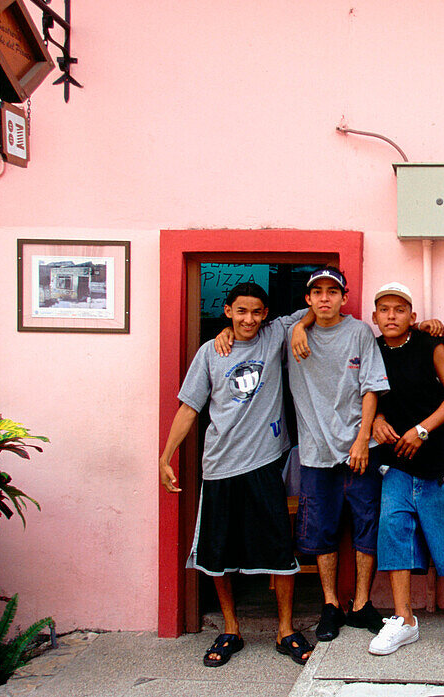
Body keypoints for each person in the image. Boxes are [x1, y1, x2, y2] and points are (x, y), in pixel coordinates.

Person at [158, 282, 314, 667]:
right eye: (241, 312)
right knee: (217, 553)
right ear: (227, 310)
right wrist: (166, 456)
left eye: (257, 312)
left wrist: (296, 328)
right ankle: (230, 630)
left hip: (265, 463)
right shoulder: (210, 352)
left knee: (279, 548)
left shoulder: (275, 334)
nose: (249, 319)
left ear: (265, 314)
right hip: (219, 466)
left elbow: (314, 307)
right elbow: (190, 407)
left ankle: (285, 630)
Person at [364, 282, 444, 662]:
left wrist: (423, 429)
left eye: (399, 309)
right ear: (375, 317)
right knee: (395, 531)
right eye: (384, 309)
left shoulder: (430, 345)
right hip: (400, 459)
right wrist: (378, 420)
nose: (391, 316)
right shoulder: (371, 351)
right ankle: (404, 620)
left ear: (413, 316)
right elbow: (369, 393)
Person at [285, 266, 392, 641]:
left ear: (345, 297)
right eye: (318, 292)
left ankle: (361, 604)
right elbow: (247, 327)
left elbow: (370, 388)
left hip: (361, 449)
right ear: (308, 299)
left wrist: (363, 438)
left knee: (367, 528)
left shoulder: (360, 332)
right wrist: (301, 325)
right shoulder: (291, 333)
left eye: (333, 291)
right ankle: (330, 605)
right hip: (315, 453)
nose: (326, 298)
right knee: (322, 533)